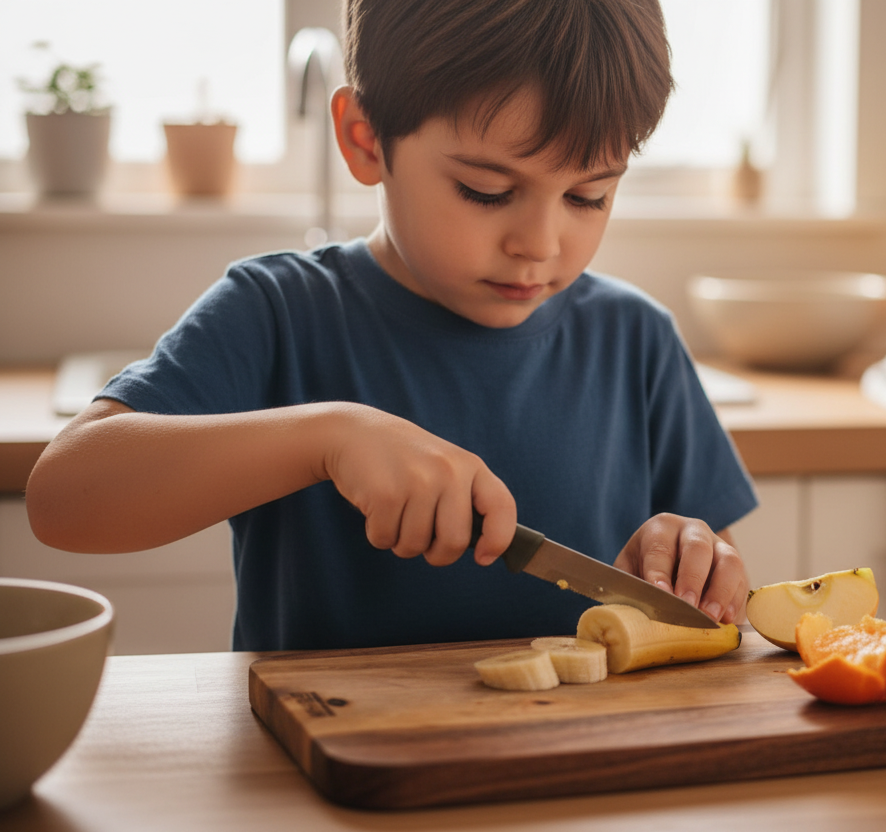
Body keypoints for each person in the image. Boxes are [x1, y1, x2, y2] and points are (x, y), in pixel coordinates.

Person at [24, 0, 758, 652]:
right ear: (365, 138)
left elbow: (716, 593)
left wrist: (692, 560)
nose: (539, 244)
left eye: (588, 196)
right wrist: (328, 438)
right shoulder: (276, 312)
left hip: (580, 759)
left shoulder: (636, 339)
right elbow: (62, 498)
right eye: (486, 190)